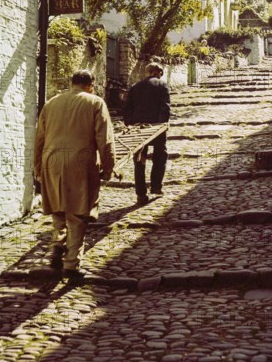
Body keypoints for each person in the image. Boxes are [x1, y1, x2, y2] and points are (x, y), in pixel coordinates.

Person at [34, 70, 115, 281]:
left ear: (72, 84)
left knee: (59, 210)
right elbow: (104, 140)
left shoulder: (51, 103)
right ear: (90, 84)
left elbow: (39, 139)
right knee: (78, 214)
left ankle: (55, 249)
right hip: (80, 162)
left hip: (51, 162)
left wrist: (37, 168)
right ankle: (72, 264)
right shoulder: (95, 103)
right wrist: (108, 168)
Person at [123, 62, 171, 206]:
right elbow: (165, 108)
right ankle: (156, 186)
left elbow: (127, 108)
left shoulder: (135, 87)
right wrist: (162, 125)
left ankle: (140, 194)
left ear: (147, 72)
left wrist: (130, 124)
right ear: (158, 73)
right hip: (155, 128)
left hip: (138, 129)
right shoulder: (162, 85)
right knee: (160, 156)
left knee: (139, 160)